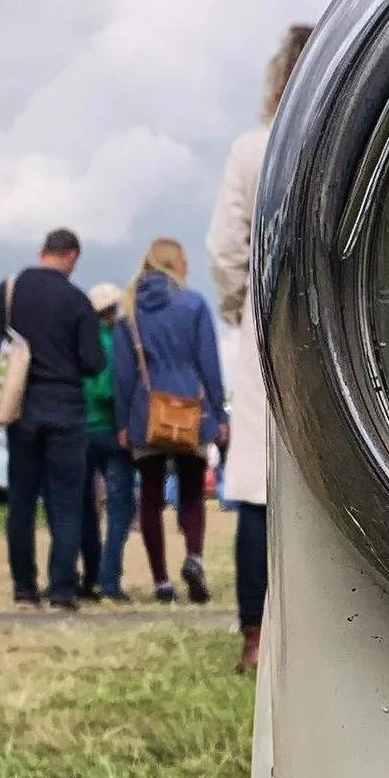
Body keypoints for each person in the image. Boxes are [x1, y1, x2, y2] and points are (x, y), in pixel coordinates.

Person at [207, 22, 309, 670]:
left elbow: (225, 250)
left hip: (269, 328)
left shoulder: (253, 150)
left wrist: (240, 306)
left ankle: (254, 636)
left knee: (257, 489)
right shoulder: (352, 141)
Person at [0, 228, 105, 611]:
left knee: (22, 500)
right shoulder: (77, 300)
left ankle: (24, 587)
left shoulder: (11, 289)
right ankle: (62, 589)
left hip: (22, 408)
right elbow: (95, 361)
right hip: (66, 410)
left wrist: (15, 344)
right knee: (65, 503)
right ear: (72, 256)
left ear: (42, 251)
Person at [111, 239, 226, 607]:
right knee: (192, 492)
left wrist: (122, 422)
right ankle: (193, 557)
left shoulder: (128, 311)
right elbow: (209, 364)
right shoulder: (194, 304)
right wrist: (220, 415)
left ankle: (161, 581)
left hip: (146, 412)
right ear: (176, 263)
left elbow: (122, 374)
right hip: (192, 410)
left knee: (150, 497)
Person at [80, 280, 136, 602]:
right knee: (120, 508)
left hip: (83, 432)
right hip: (113, 433)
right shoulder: (117, 339)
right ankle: (109, 579)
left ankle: (88, 576)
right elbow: (107, 388)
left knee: (86, 507)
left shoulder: (82, 340)